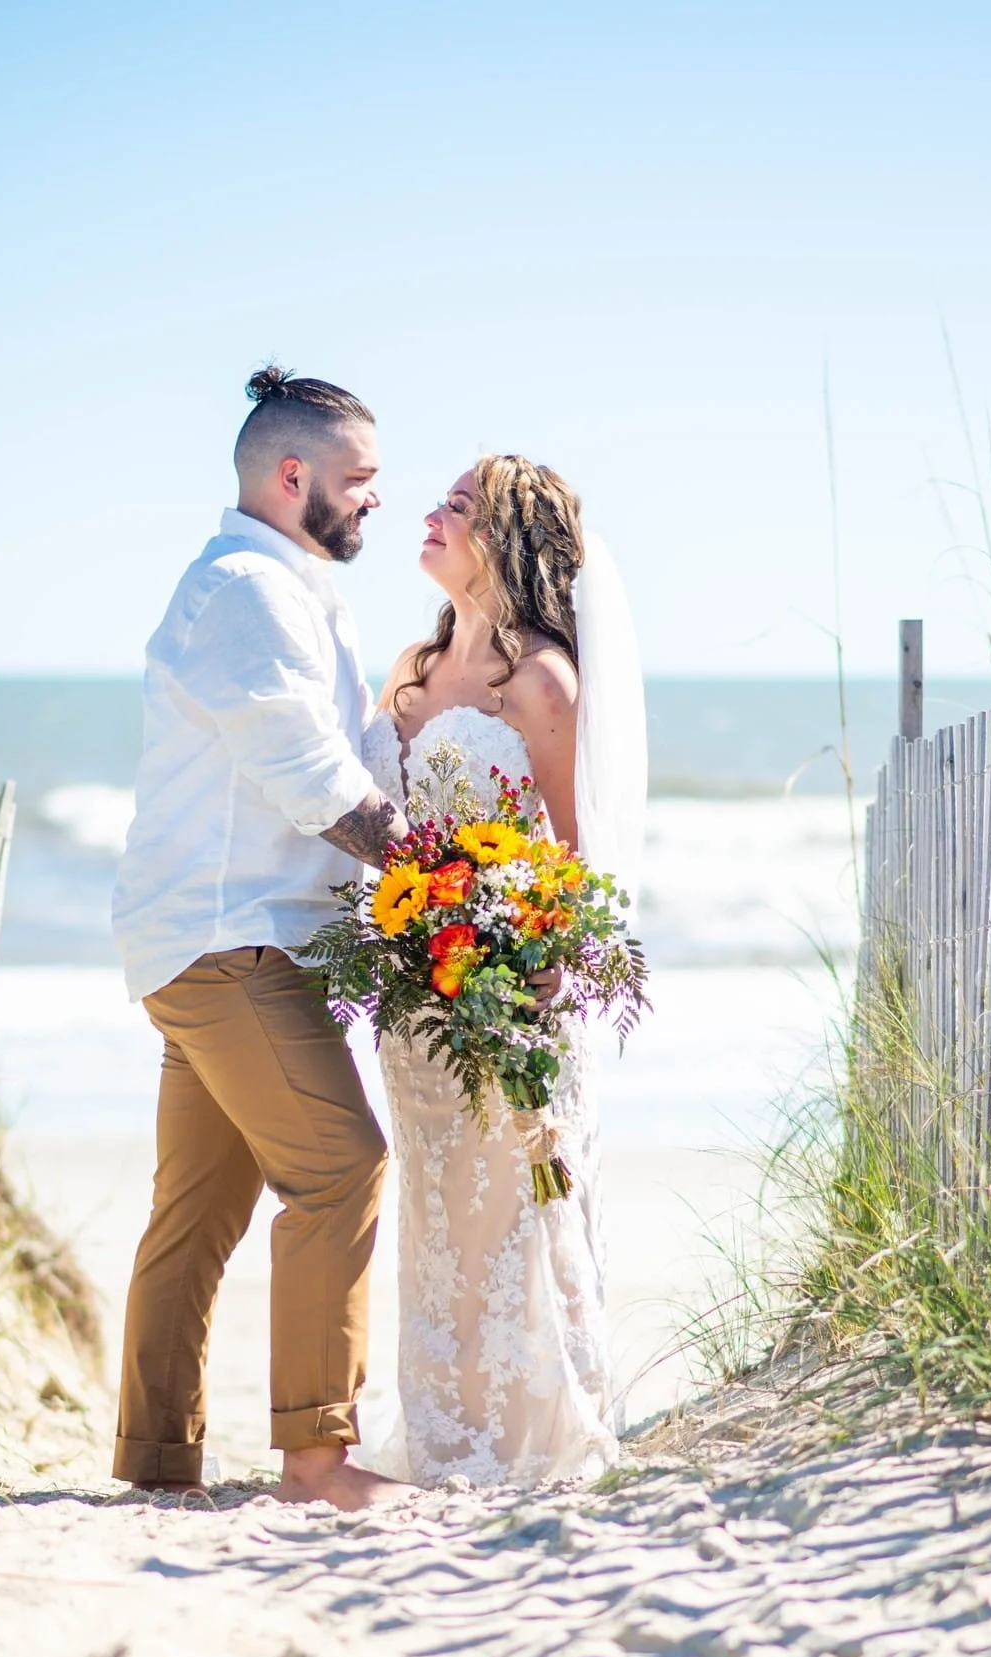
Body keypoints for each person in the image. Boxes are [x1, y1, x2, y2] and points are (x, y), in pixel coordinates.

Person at [111, 366, 412, 1509]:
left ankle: (155, 1461)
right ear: (293, 477)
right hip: (232, 942)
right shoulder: (244, 587)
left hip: (209, 937)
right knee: (341, 1168)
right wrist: (436, 880)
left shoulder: (284, 588)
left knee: (196, 1212)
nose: (372, 500)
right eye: (358, 480)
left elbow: (345, 754)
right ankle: (317, 1460)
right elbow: (308, 775)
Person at [361, 455, 647, 1487]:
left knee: (517, 1205)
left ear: (507, 540)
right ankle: (443, 1433)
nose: (428, 517)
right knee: (437, 1213)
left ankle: (534, 1435)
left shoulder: (541, 681)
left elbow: (571, 855)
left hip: (511, 987)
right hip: (416, 995)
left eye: (455, 506)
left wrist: (524, 962)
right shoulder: (411, 667)